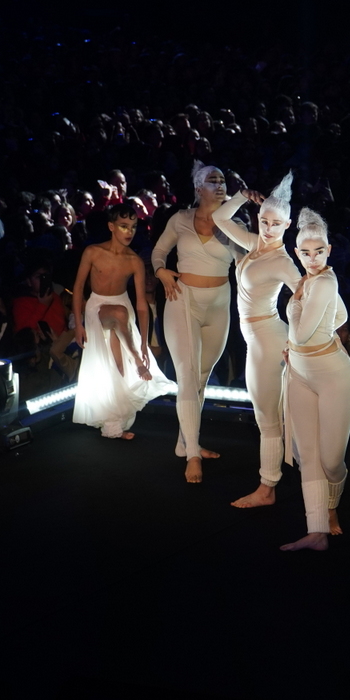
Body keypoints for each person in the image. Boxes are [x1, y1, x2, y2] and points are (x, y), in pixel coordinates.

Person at [212, 172, 301, 509]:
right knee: (269, 416)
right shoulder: (253, 244)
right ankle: (276, 482)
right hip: (257, 339)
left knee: (267, 418)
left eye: (276, 224)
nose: (268, 228)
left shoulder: (281, 261)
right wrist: (241, 196)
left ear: (287, 224)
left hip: (268, 339)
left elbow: (306, 296)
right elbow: (220, 218)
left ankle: (268, 487)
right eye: (264, 220)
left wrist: (298, 340)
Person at [152, 162, 240, 481]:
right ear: (198, 188)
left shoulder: (234, 222)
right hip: (183, 300)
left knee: (201, 377)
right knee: (187, 375)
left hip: (220, 304)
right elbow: (159, 251)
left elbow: (248, 262)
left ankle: (183, 443)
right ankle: (192, 454)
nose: (218, 185)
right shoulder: (181, 219)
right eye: (211, 180)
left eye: (222, 180)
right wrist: (161, 271)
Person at [279, 209, 350, 552]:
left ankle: (331, 505)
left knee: (330, 460)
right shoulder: (309, 281)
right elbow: (341, 315)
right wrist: (297, 349)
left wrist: (295, 308)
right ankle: (316, 531)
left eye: (319, 251)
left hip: (332, 376)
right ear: (297, 253)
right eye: (306, 253)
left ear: (329, 250)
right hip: (299, 372)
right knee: (308, 455)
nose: (312, 259)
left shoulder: (325, 281)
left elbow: (302, 330)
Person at [71, 203, 174, 439]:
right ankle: (136, 359)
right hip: (97, 307)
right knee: (118, 314)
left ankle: (114, 426)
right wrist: (78, 324)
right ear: (111, 226)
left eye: (134, 227)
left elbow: (141, 305)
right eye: (124, 226)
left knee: (117, 365)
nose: (129, 232)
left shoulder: (134, 260)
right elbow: (78, 289)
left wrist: (145, 343)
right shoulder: (93, 252)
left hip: (123, 307)